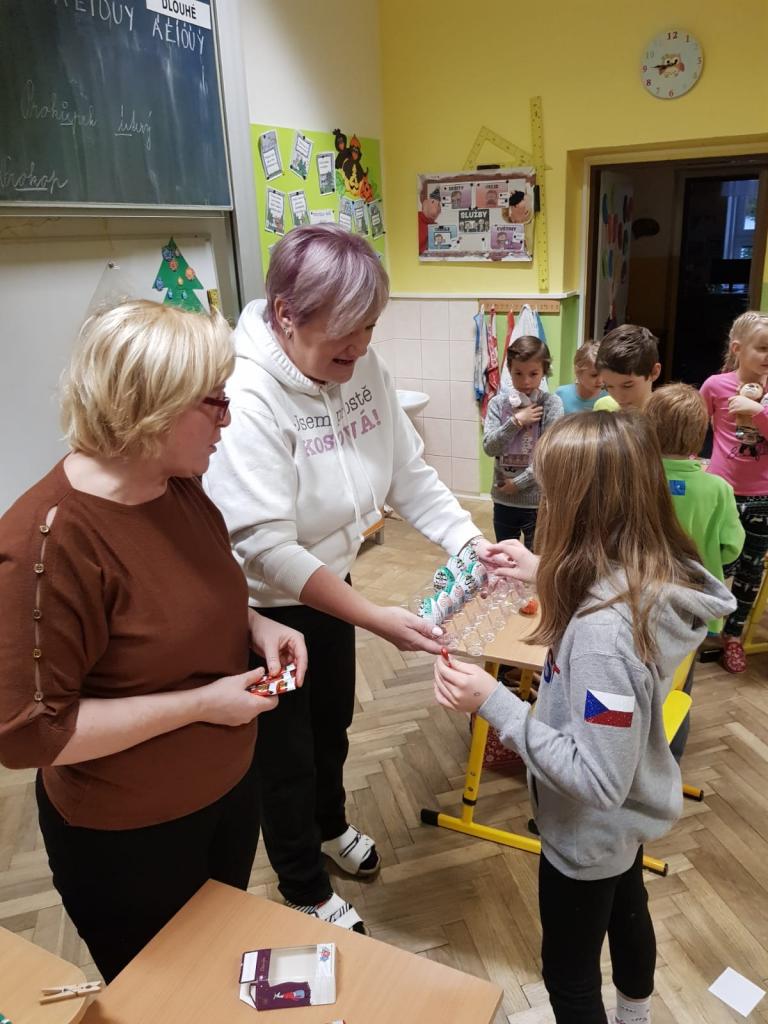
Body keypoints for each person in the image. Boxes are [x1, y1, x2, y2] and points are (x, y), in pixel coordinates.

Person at [0, 301, 308, 983]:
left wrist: (256, 625)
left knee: (215, 974)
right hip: (128, 837)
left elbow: (190, 593)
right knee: (162, 995)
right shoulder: (47, 543)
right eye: (214, 402)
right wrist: (200, 705)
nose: (227, 419)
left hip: (226, 793)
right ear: (151, 408)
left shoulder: (178, 487)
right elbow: (30, 736)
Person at [204, 225, 491, 935]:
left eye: (371, 326)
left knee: (332, 724)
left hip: (332, 587)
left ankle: (329, 827)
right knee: (284, 755)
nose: (361, 346)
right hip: (262, 615)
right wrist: (374, 615)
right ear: (285, 316)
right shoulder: (248, 393)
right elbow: (265, 549)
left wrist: (472, 544)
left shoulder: (360, 365)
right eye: (347, 329)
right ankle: (301, 883)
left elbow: (406, 473)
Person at [433, 413, 735, 1024]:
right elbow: (608, 584)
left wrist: (492, 702)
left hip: (586, 831)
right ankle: (635, 1015)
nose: (542, 505)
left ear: (577, 507)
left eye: (550, 494)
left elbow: (597, 779)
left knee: (568, 978)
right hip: (622, 822)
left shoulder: (603, 638)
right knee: (628, 913)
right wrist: (539, 567)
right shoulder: (649, 573)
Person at [645, 383, 745, 755]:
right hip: (693, 608)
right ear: (701, 433)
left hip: (638, 599)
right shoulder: (718, 488)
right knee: (679, 689)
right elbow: (732, 546)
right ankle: (668, 759)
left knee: (637, 679)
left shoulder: (636, 478)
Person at [700, 311, 768, 673]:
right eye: (763, 348)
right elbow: (694, 425)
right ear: (738, 349)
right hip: (720, 492)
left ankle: (733, 636)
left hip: (763, 497)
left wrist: (757, 411)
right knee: (715, 564)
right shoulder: (715, 385)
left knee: (750, 572)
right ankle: (700, 625)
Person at [482, 335, 563, 549]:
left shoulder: (551, 404)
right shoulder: (498, 404)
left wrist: (517, 484)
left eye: (533, 374)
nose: (526, 381)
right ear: (509, 370)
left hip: (537, 502)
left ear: (544, 371)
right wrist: (516, 421)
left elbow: (549, 457)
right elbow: (490, 447)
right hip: (503, 500)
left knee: (535, 558)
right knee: (506, 555)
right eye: (518, 373)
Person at [593, 324, 661, 412]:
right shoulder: (603, 408)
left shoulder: (667, 416)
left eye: (627, 386)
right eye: (608, 386)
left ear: (654, 372)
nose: (619, 397)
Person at [555, 340, 605, 413]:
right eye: (594, 375)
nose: (600, 380)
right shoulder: (561, 394)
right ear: (578, 371)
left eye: (604, 374)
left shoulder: (610, 399)